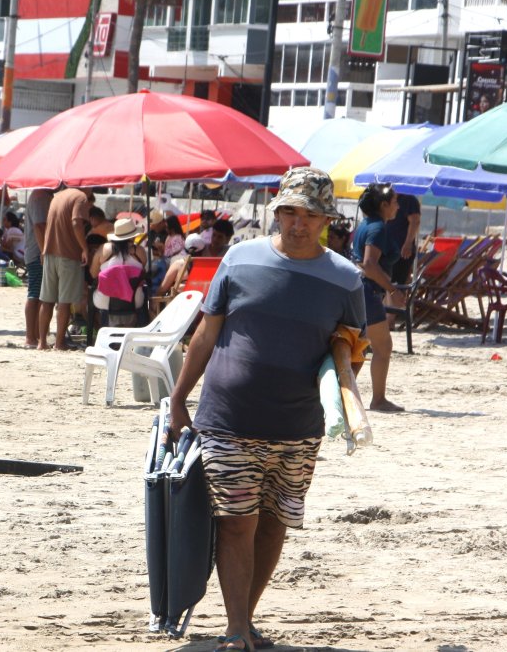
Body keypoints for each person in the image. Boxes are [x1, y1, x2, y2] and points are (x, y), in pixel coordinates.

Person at [168, 167, 366, 652]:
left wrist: (342, 397)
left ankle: (244, 618)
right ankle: (236, 630)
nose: (298, 224)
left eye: (310, 215)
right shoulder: (239, 259)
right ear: (276, 212)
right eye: (290, 212)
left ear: (326, 221)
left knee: (274, 521)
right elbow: (206, 334)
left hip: (299, 427)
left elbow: (352, 351)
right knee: (236, 521)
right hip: (228, 418)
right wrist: (177, 400)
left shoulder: (345, 279)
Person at [352, 183, 405, 413]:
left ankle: (346, 397)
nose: (398, 206)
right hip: (366, 291)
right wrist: (393, 290)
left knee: (359, 348)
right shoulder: (378, 229)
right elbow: (369, 265)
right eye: (394, 202)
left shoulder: (365, 225)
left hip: (356, 289)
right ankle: (378, 399)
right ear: (384, 205)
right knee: (383, 346)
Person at [38, 186, 92, 351]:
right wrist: (84, 248)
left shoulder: (58, 196)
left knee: (47, 300)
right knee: (64, 302)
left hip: (49, 253)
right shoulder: (80, 197)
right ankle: (59, 343)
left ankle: (42, 342)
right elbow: (76, 222)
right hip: (68, 254)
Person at [90, 218, 147, 327]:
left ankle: (102, 331)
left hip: (105, 301)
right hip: (134, 301)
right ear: (133, 235)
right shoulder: (140, 251)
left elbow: (93, 274)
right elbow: (139, 273)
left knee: (89, 295)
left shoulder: (104, 249)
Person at [22, 188, 52, 348]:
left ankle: (35, 336)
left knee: (39, 294)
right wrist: (44, 251)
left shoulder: (42, 196)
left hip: (36, 252)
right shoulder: (40, 197)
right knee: (35, 293)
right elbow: (39, 226)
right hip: (37, 253)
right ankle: (31, 337)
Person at [387, 193, 422, 289]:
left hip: (401, 249)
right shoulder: (389, 198)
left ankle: (396, 304)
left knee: (396, 285)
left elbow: (415, 221)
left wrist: (408, 243)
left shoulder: (409, 199)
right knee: (387, 284)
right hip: (388, 249)